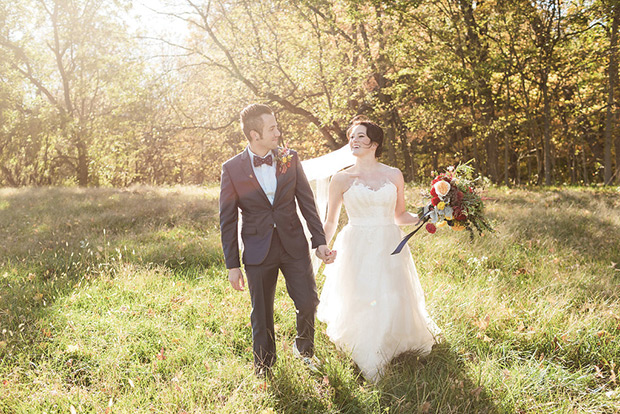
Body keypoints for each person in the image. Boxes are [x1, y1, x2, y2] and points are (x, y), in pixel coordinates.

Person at [317, 117, 439, 382]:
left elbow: (400, 215)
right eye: (351, 137)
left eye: (360, 136)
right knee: (361, 296)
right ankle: (368, 351)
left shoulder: (393, 175)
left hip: (389, 243)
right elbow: (330, 221)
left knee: (391, 295)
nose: (354, 141)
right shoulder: (341, 179)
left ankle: (393, 343)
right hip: (356, 244)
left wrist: (429, 215)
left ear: (374, 142)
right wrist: (323, 244)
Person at [219, 104, 335, 377]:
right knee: (261, 312)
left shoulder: (289, 158)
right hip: (258, 251)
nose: (278, 132)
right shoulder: (232, 168)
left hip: (294, 244)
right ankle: (264, 366)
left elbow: (307, 203)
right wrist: (232, 265)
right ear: (254, 134)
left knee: (308, 301)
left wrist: (319, 241)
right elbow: (228, 220)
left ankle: (304, 350)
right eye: (272, 128)